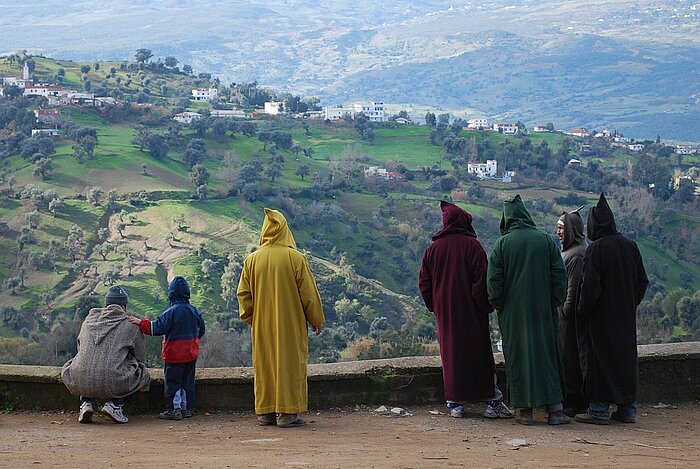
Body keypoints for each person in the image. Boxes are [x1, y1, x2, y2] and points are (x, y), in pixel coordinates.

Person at [419, 201, 513, 420]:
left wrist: (436, 306)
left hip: (446, 313)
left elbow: (424, 283)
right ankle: (491, 401)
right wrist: (484, 307)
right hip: (472, 313)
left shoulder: (433, 249)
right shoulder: (473, 246)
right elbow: (482, 282)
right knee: (479, 354)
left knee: (452, 355)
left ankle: (455, 402)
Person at [237, 208, 325, 428]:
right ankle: (287, 414)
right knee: (289, 364)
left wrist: (254, 319)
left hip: (262, 325)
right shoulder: (295, 258)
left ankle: (265, 413)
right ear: (285, 230)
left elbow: (244, 296)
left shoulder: (252, 260)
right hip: (290, 325)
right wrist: (316, 319)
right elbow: (309, 295)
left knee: (265, 364)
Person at [487, 194, 569, 425]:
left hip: (513, 316)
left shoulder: (502, 245)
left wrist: (501, 306)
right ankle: (555, 410)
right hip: (543, 311)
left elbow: (494, 284)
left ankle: (525, 411)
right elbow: (559, 277)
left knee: (519, 358)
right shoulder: (545, 241)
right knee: (547, 356)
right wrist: (553, 301)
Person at [575, 194, 648, 425]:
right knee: (624, 361)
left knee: (600, 361)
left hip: (600, 318)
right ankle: (628, 409)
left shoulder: (596, 250)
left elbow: (590, 289)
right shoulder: (630, 246)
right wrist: (628, 303)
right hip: (625, 318)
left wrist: (583, 311)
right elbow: (641, 281)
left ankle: (598, 409)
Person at [61, 285, 150, 424]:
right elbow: (140, 358)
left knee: (82, 362)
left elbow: (80, 349)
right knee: (141, 372)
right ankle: (115, 405)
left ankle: (85, 403)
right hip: (113, 381)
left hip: (79, 379)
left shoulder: (87, 322)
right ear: (124, 306)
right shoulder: (131, 326)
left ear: (107, 305)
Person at [129, 276, 205, 420]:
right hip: (191, 354)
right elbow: (201, 330)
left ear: (171, 294)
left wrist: (140, 323)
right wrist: (193, 341)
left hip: (174, 356)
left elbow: (155, 328)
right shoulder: (194, 311)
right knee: (187, 382)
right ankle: (187, 409)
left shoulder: (170, 312)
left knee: (173, 383)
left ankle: (174, 410)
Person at [556, 207, 588, 417]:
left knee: (571, 358)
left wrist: (566, 311)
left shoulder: (576, 255)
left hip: (570, 319)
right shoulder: (572, 251)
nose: (558, 232)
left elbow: (573, 288)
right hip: (567, 317)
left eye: (561, 228)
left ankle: (575, 400)